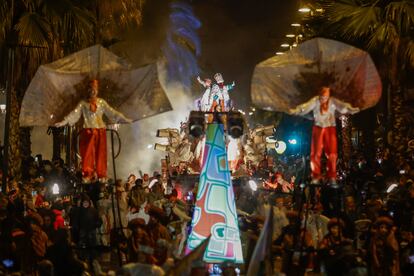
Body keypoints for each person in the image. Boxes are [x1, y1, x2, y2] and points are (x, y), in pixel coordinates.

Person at [55, 79, 132, 183]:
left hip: (100, 130)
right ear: (88, 90)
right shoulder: (83, 104)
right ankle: (87, 174)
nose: (92, 91)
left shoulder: (101, 102)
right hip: (88, 130)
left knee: (101, 154)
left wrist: (124, 119)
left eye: (94, 89)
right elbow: (74, 114)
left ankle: (102, 175)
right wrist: (63, 122)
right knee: (87, 154)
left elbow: (112, 112)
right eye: (90, 89)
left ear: (97, 90)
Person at [289, 86, 359, 185]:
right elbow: (305, 108)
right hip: (318, 127)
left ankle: (332, 177)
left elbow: (343, 108)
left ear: (329, 95)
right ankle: (316, 177)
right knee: (315, 153)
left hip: (330, 128)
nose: (323, 99)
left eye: (325, 97)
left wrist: (352, 109)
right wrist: (296, 110)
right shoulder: (315, 101)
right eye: (322, 97)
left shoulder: (333, 101)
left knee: (332, 153)